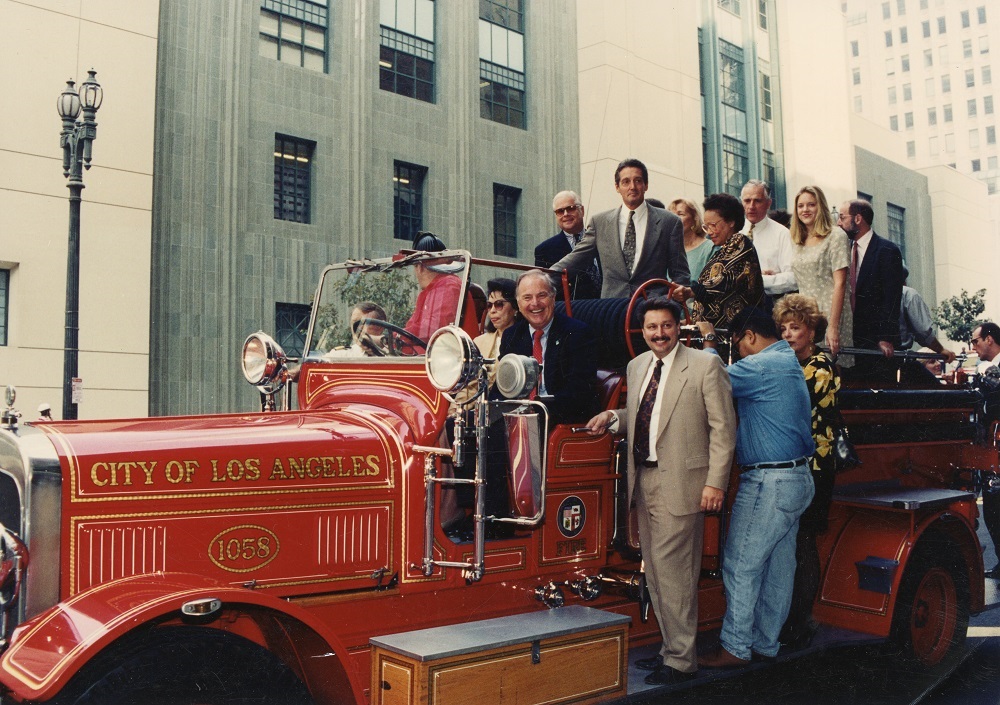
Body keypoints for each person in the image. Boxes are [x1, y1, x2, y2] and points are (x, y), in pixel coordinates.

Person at [584, 297, 736, 685]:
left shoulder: (705, 364)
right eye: (652, 327)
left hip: (683, 485)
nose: (659, 334)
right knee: (657, 573)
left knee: (675, 576)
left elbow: (723, 428)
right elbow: (644, 415)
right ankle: (672, 651)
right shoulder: (637, 367)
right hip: (644, 481)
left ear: (678, 326)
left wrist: (715, 482)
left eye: (666, 326)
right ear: (643, 331)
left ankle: (682, 661)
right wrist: (612, 418)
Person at [696, 307, 815, 668]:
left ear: (749, 336)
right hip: (795, 479)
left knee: (740, 565)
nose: (740, 353)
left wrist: (707, 340)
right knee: (779, 568)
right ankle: (765, 644)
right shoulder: (786, 361)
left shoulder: (762, 366)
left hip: (769, 481)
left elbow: (712, 380)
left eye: (738, 344)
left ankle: (734, 648)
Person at [772, 294, 841, 649]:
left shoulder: (819, 366)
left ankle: (801, 621)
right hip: (798, 462)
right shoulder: (789, 362)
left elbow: (795, 406)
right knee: (793, 543)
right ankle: (791, 620)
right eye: (783, 328)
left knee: (803, 542)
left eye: (794, 327)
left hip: (815, 466)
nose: (787, 334)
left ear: (810, 329)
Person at [550, 158, 690, 298]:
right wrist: (543, 278)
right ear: (617, 187)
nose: (632, 187)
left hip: (655, 310)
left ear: (646, 185)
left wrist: (675, 299)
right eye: (626, 182)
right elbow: (576, 258)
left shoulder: (670, 222)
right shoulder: (600, 223)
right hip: (613, 309)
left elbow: (680, 274)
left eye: (638, 181)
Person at [496, 270, 598, 426]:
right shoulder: (512, 335)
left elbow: (579, 392)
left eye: (542, 295)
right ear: (519, 303)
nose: (535, 303)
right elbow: (503, 385)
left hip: (558, 416)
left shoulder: (577, 333)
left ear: (553, 298)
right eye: (527, 297)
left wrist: (535, 409)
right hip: (521, 414)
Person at [671, 193, 765, 327]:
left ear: (731, 222)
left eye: (713, 225)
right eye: (706, 226)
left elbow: (725, 279)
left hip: (739, 334)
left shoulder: (740, 242)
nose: (709, 231)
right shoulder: (719, 251)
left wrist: (691, 291)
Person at [838, 199, 905, 380]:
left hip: (876, 344)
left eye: (842, 217)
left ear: (858, 219)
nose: (838, 223)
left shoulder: (886, 250)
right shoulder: (844, 250)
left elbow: (892, 298)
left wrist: (885, 337)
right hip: (849, 340)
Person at [790, 186, 853, 362]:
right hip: (804, 317)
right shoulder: (797, 239)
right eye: (800, 206)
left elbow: (840, 283)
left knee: (829, 371)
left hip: (830, 313)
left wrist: (833, 326)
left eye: (811, 204)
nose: (805, 210)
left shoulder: (836, 236)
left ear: (821, 207)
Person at [971, 322, 1000, 579]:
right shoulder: (985, 370)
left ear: (989, 339)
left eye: (976, 341)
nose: (973, 347)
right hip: (992, 447)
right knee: (992, 508)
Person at [535, 191, 601, 300]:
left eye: (570, 208)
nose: (566, 214)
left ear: (582, 210)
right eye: (560, 211)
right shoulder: (544, 250)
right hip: (574, 310)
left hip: (608, 306)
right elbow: (546, 290)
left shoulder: (600, 239)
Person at [740, 180, 797, 299]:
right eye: (747, 201)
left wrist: (758, 280)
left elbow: (793, 278)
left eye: (757, 201)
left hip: (771, 306)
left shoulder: (782, 234)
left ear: (768, 203)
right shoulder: (735, 233)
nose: (751, 206)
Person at [404, 232, 463, 342]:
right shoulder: (430, 291)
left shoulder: (447, 285)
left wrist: (391, 338)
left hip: (444, 355)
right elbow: (412, 327)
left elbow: (432, 330)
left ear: (419, 267)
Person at [898, 269, 956, 364]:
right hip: (897, 357)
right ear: (904, 280)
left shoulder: (872, 293)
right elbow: (922, 331)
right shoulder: (908, 293)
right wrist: (941, 350)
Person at [669, 197, 714, 281]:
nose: (674, 219)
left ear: (695, 218)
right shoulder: (667, 250)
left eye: (680, 214)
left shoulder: (710, 249)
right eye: (672, 215)